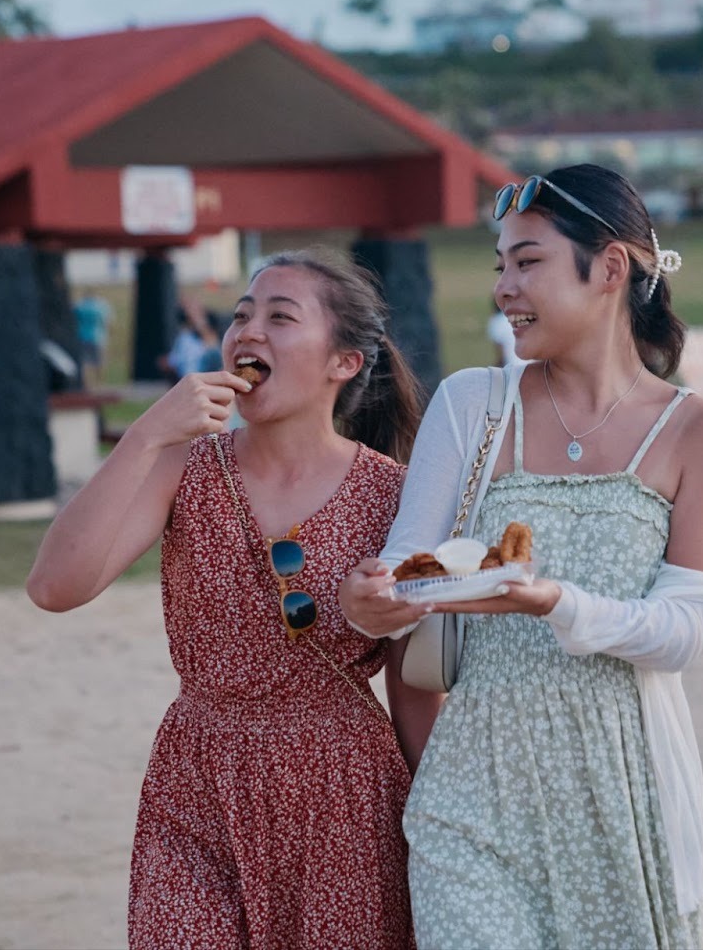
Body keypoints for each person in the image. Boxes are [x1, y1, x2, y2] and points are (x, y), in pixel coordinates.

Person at [339, 164, 703, 948]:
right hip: (471, 792)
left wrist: (555, 601)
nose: (504, 287)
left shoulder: (701, 436)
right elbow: (407, 571)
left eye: (528, 261)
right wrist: (371, 599)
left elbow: (686, 627)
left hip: (624, 794)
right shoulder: (471, 403)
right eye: (501, 265)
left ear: (612, 270)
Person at [27, 250, 436, 949]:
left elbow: (414, 685)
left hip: (343, 792)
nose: (249, 330)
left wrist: (444, 819)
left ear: (342, 362)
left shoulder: (396, 494)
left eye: (281, 316)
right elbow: (55, 586)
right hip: (196, 778)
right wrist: (148, 431)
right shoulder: (182, 465)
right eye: (242, 314)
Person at [73, 287, 113, 388]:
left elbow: (73, 321)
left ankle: (87, 384)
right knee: (99, 361)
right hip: (98, 336)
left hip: (82, 336)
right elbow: (107, 322)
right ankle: (100, 383)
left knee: (84, 361)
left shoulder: (79, 306)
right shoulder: (101, 306)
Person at [486, 298, 524, 366]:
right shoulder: (524, 316)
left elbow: (501, 356)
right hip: (535, 367)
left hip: (512, 368)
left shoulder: (496, 321)